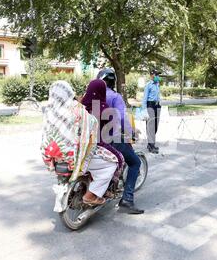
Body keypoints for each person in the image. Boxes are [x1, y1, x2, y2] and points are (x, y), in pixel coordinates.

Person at [40, 80, 117, 206]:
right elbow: (92, 126)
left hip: (53, 157)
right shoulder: (77, 109)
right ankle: (90, 195)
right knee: (111, 163)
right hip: (74, 157)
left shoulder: (48, 111)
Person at [97, 68, 144, 214]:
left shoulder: (91, 96)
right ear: (113, 82)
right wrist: (132, 133)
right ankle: (127, 200)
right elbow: (123, 118)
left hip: (93, 140)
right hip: (112, 139)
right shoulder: (115, 97)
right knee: (136, 162)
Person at [81, 79, 125, 189]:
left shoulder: (81, 105)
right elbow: (114, 125)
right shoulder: (102, 107)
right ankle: (105, 189)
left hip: (80, 143)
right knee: (119, 159)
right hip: (97, 145)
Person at [142, 69, 161, 153]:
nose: (158, 76)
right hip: (150, 105)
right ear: (152, 75)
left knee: (156, 125)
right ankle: (151, 145)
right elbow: (144, 98)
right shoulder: (148, 85)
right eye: (156, 75)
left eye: (158, 75)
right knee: (151, 126)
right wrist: (144, 110)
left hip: (157, 105)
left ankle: (150, 143)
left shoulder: (157, 84)